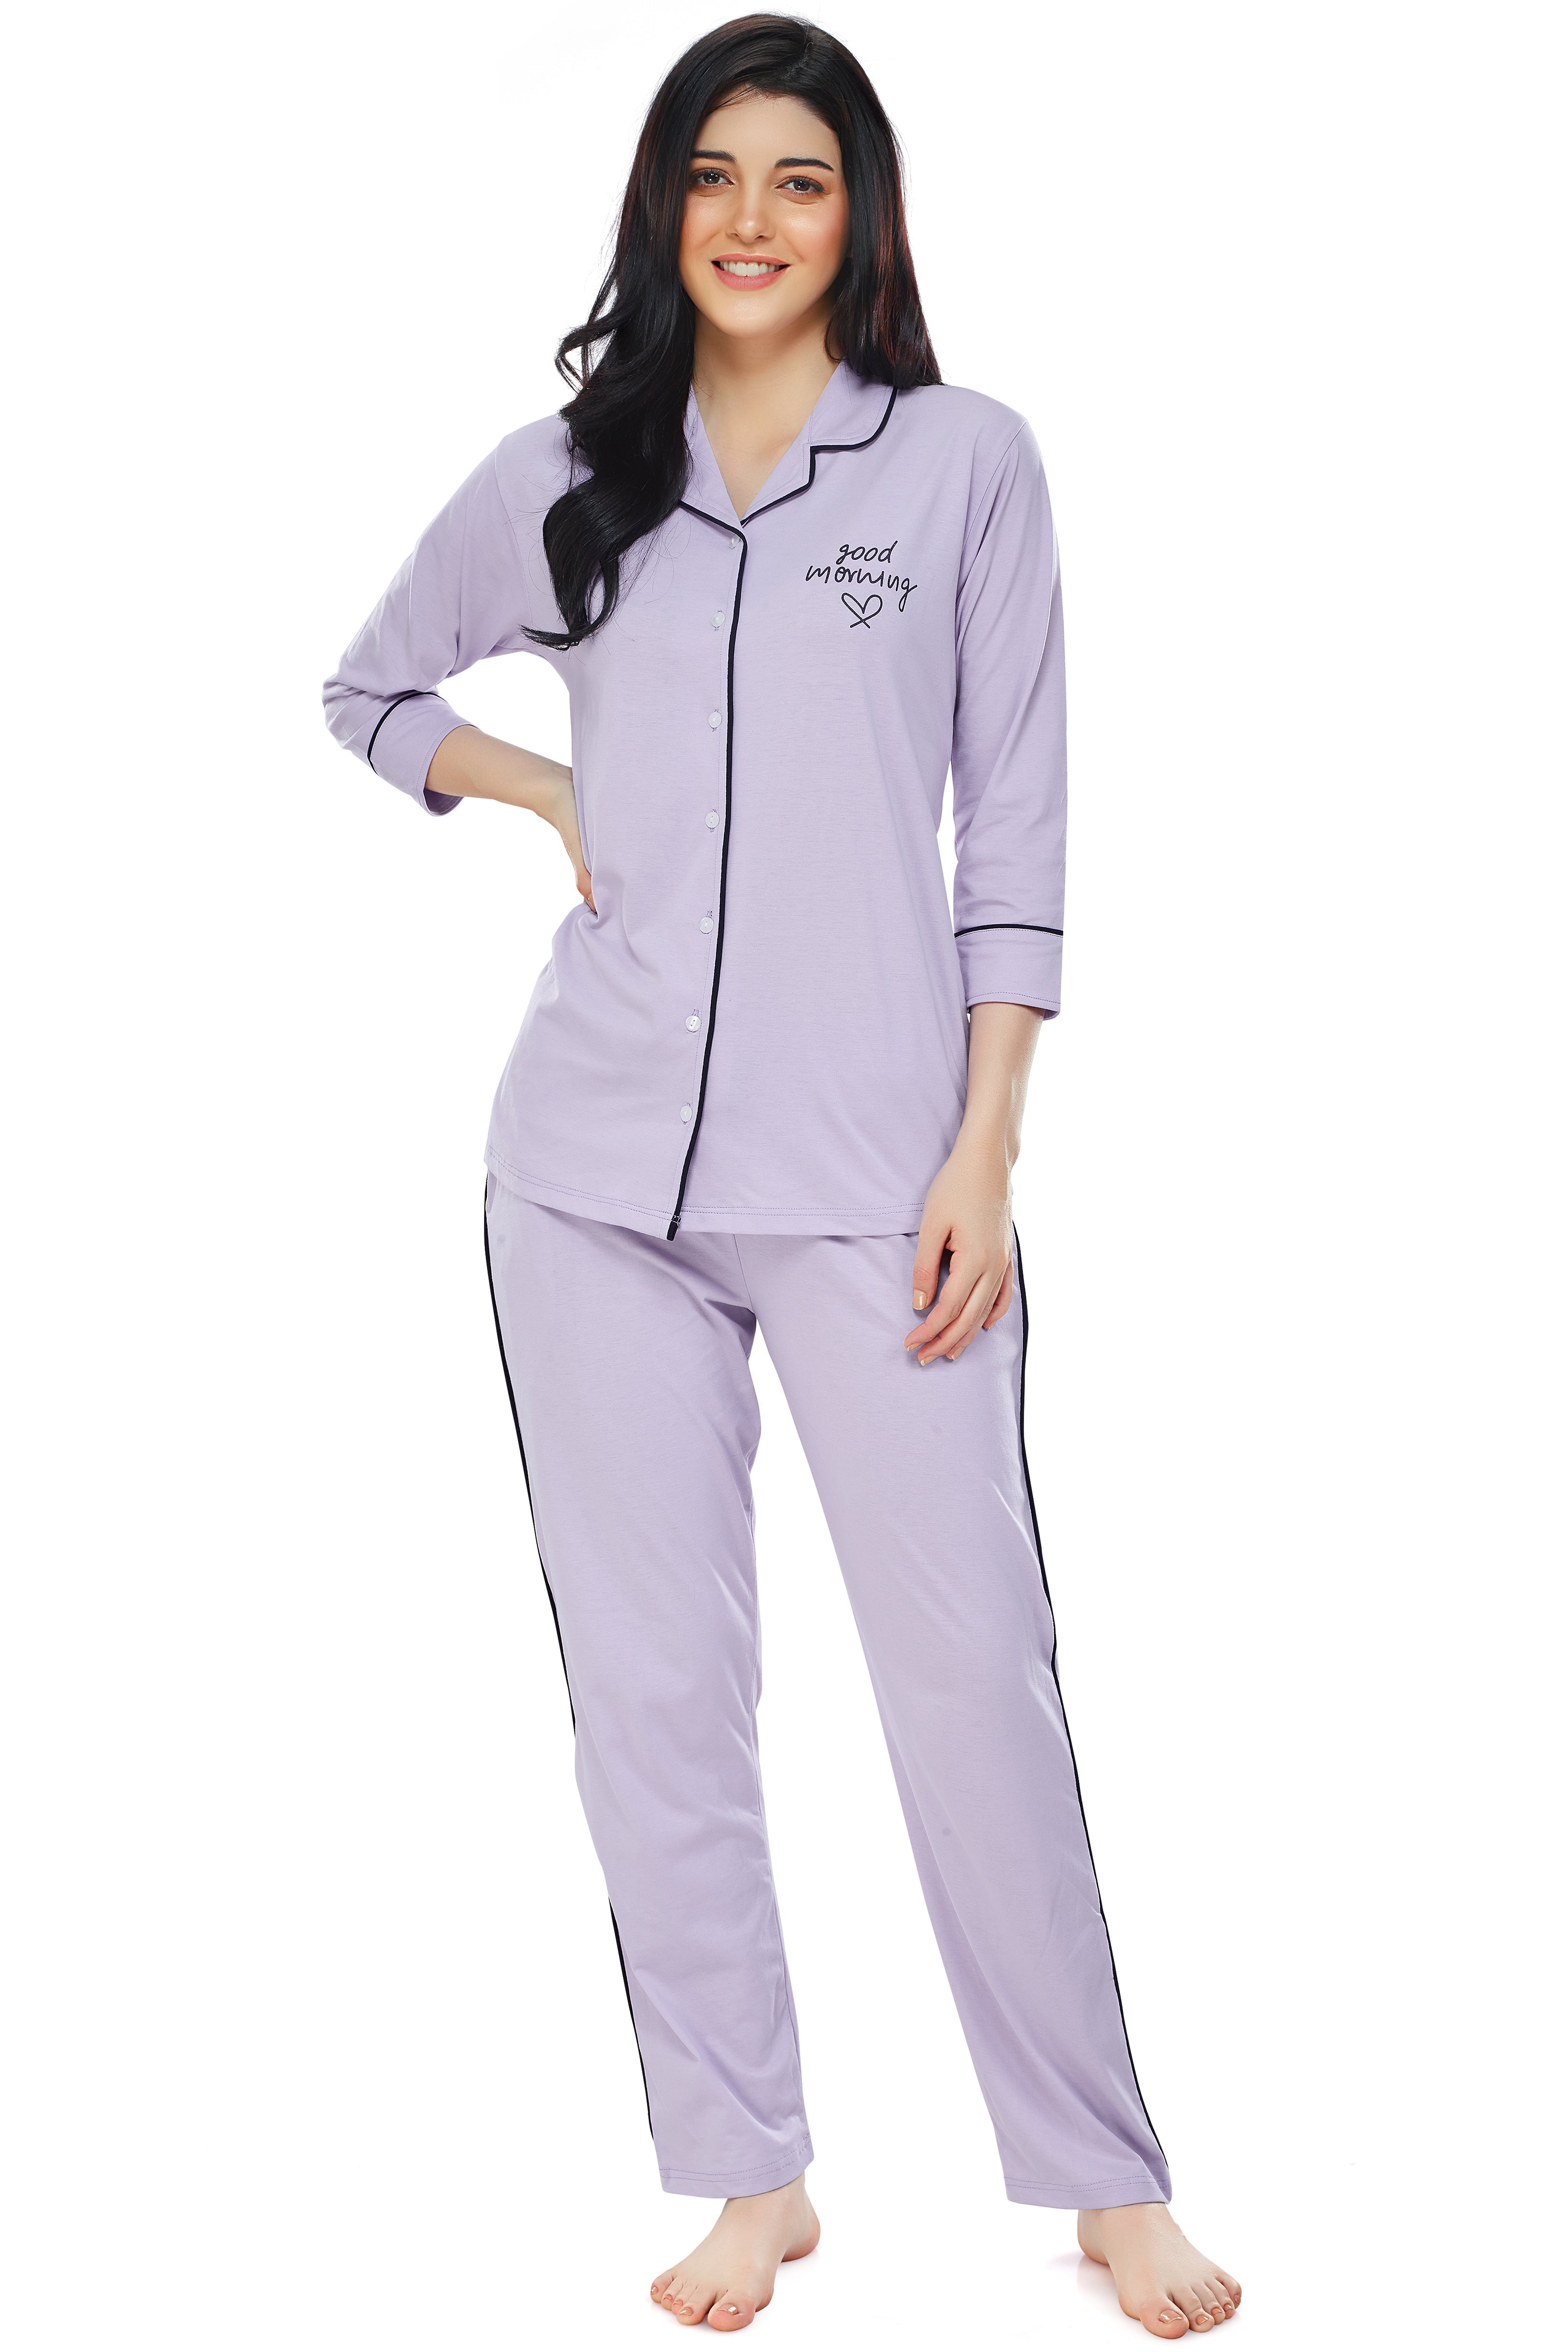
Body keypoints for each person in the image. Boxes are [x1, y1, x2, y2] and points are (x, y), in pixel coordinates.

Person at [322, 15, 1240, 2336]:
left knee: (972, 1681)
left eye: (799, 180)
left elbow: (1015, 828)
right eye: (712, 173)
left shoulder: (959, 466)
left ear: (861, 216)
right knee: (654, 1694)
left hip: (876, 1175)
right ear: (664, 202)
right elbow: (368, 689)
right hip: (588, 1181)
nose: (750, 218)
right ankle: (748, 2169)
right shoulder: (572, 474)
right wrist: (542, 789)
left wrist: (987, 1146)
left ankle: (1099, 2173)